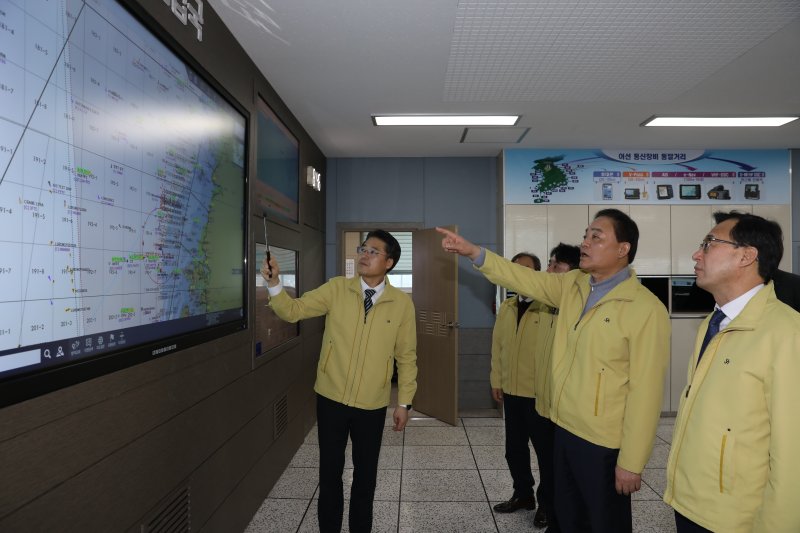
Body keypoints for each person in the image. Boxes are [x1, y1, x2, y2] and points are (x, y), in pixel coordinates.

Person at [437, 208, 670, 533]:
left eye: (596, 237)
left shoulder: (645, 309)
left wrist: (631, 462)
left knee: (604, 521)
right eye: (585, 235)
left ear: (623, 249)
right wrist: (475, 253)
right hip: (562, 427)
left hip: (602, 441)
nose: (585, 242)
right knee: (565, 516)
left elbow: (646, 392)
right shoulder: (572, 285)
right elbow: (522, 277)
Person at [261, 230, 417, 533]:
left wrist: (405, 402)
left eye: (373, 251)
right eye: (363, 249)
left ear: (389, 262)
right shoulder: (336, 289)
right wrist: (273, 284)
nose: (364, 255)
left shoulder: (401, 304)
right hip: (331, 399)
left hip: (371, 405)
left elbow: (407, 356)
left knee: (365, 477)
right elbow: (293, 311)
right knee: (329, 473)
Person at [664, 211, 800, 532]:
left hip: (735, 519)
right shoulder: (716, 322)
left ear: (747, 256)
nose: (697, 253)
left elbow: (793, 456)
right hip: (690, 503)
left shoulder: (786, 333)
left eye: (709, 243)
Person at [490, 252, 547, 522]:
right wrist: (496, 380)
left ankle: (548, 504)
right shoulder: (507, 306)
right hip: (511, 392)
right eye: (515, 269)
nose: (520, 273)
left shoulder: (549, 307)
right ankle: (523, 494)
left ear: (537, 273)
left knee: (545, 453)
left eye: (526, 269)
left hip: (539, 395)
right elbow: (498, 346)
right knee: (514, 449)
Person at [529, 243, 581, 533]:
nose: (548, 271)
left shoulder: (578, 313)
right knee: (548, 466)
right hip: (542, 406)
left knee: (564, 473)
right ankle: (548, 510)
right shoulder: (546, 307)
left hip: (567, 412)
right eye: (549, 264)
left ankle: (556, 516)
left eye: (555, 266)